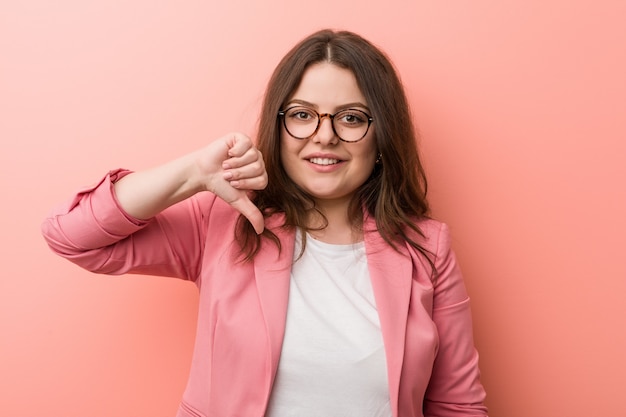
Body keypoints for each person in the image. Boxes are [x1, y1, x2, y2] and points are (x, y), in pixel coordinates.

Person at [42, 29, 488, 417]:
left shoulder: (427, 247)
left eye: (351, 118)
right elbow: (72, 236)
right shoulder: (223, 222)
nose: (325, 134)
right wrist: (193, 172)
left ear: (382, 135)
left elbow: (458, 405)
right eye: (302, 114)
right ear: (278, 126)